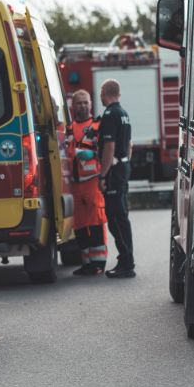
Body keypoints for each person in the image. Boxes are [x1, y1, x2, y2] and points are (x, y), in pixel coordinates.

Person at [66, 89, 108, 276]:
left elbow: (108, 150)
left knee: (96, 221)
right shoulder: (67, 129)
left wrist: (93, 154)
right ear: (72, 106)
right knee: (80, 225)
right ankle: (86, 263)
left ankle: (98, 263)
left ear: (91, 104)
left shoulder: (98, 126)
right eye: (78, 103)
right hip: (74, 184)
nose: (82, 106)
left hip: (92, 182)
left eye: (85, 102)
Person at [97, 78, 134, 278]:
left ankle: (126, 262)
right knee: (121, 216)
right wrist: (125, 163)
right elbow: (129, 144)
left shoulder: (110, 115)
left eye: (101, 93)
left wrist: (103, 174)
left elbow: (109, 147)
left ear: (104, 92)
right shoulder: (124, 114)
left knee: (116, 218)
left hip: (114, 171)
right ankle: (126, 259)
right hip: (123, 167)